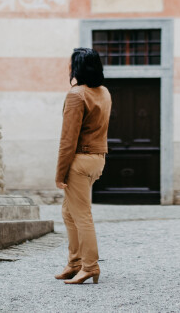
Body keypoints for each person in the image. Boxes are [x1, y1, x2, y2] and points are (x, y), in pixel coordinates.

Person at [54, 48, 112, 285]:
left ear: (77, 68)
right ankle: (75, 262)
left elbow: (68, 139)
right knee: (68, 212)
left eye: (71, 65)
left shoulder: (76, 95)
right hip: (98, 158)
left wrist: (59, 174)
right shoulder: (104, 92)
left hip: (79, 160)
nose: (69, 68)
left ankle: (90, 266)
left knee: (81, 215)